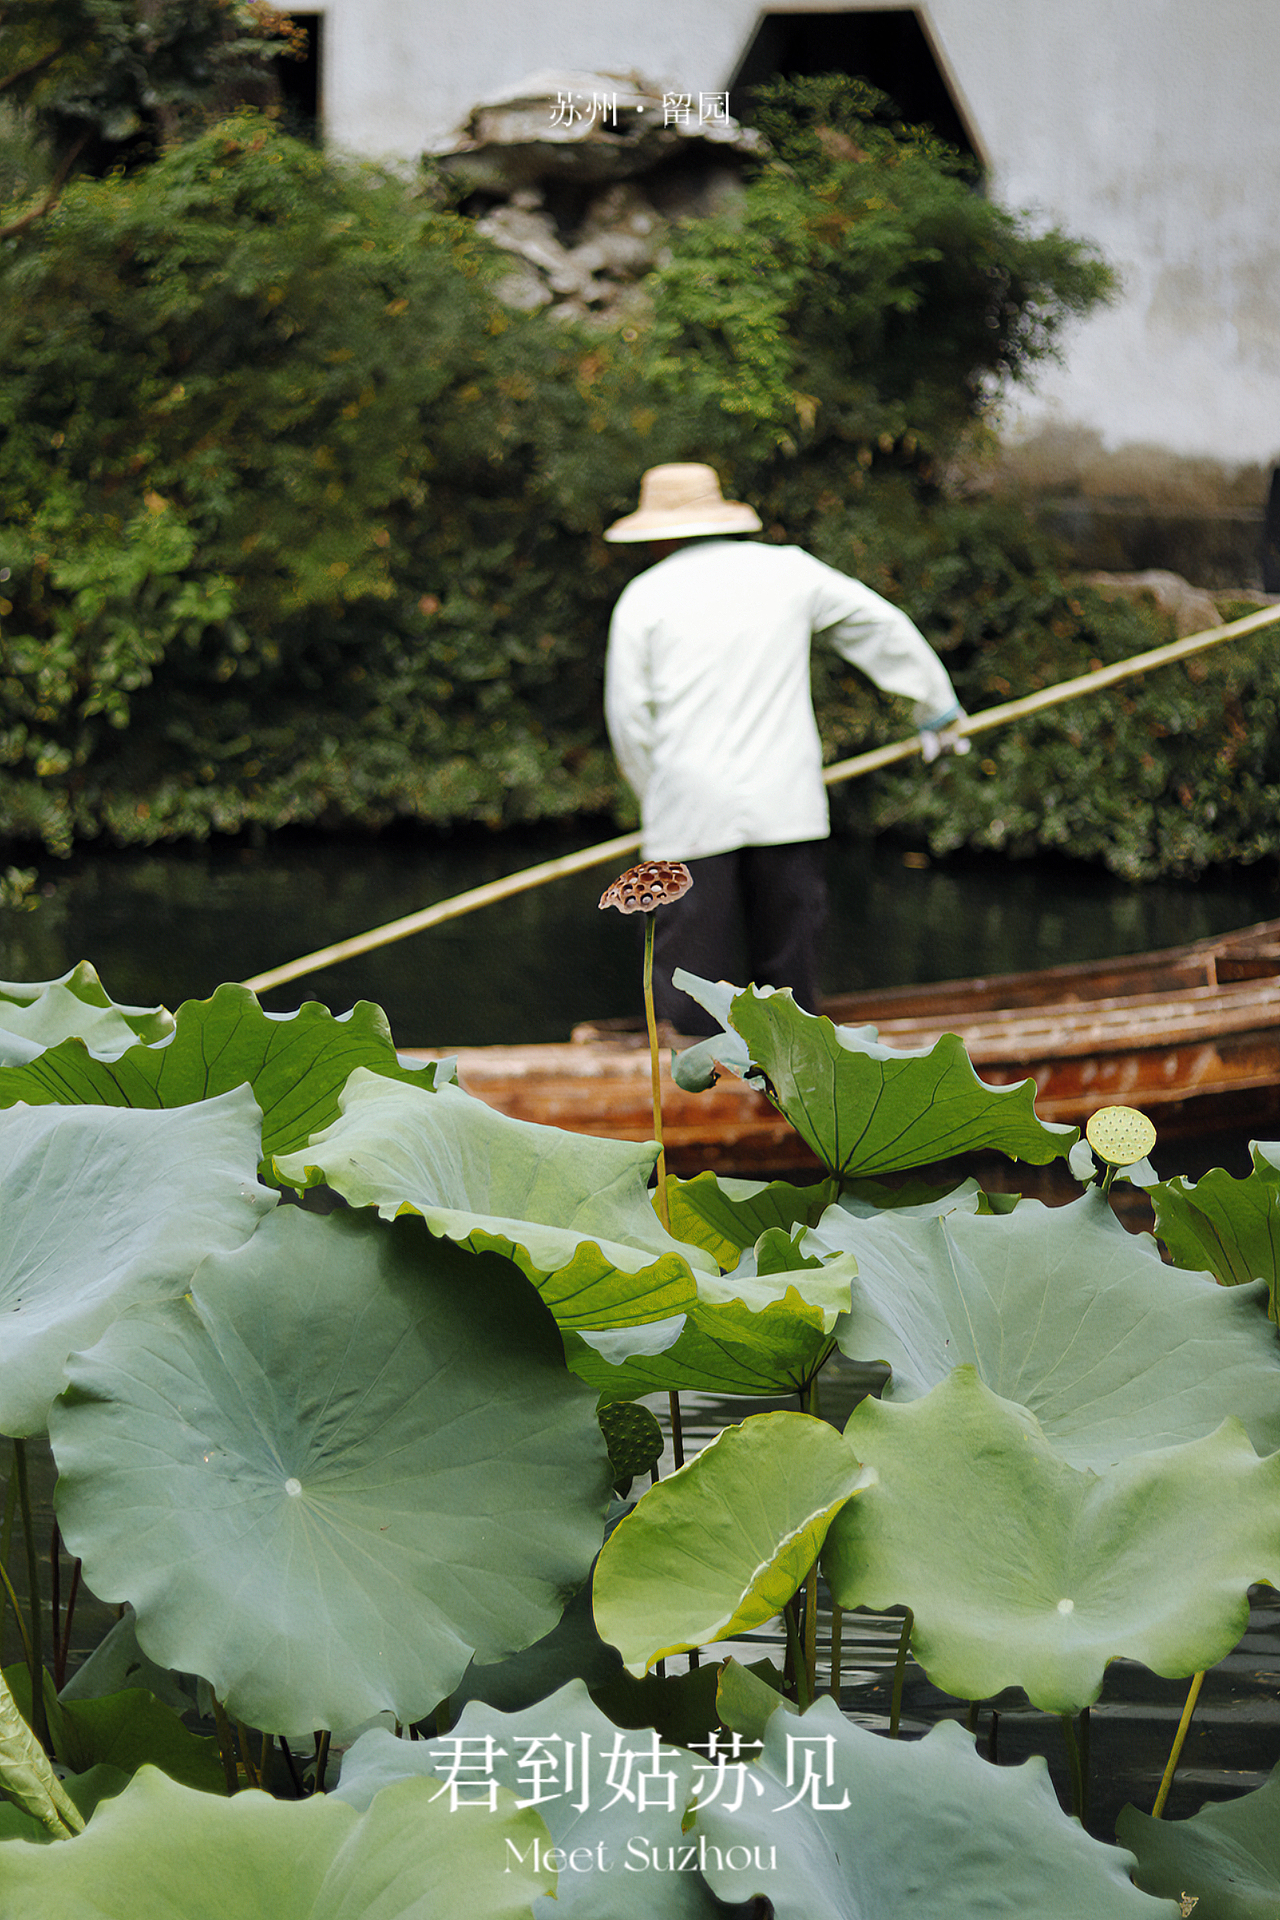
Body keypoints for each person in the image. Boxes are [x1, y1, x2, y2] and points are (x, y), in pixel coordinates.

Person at [603, 463, 967, 1033]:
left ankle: (696, 1091)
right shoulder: (788, 571)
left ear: (657, 534)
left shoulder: (642, 598)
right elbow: (879, 624)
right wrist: (936, 709)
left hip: (690, 808)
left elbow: (629, 719)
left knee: (691, 984)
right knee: (788, 975)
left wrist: (656, 797)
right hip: (787, 800)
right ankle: (793, 1090)